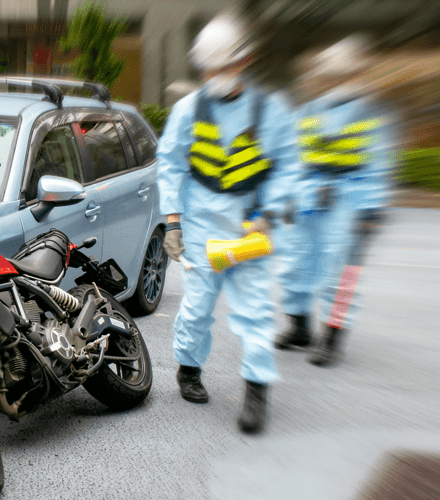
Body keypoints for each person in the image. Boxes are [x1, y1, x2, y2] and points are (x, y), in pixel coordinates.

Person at [157, 13, 298, 434]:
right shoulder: (188, 110)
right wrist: (173, 223)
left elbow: (288, 166)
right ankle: (188, 368)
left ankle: (256, 390)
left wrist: (269, 215)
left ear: (244, 60)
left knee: (255, 312)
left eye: (225, 65)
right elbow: (170, 164)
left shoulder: (270, 111)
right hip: (201, 225)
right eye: (210, 68)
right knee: (197, 308)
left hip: (248, 227)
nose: (217, 75)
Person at [275, 35, 393, 366]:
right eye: (331, 74)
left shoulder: (369, 114)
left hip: (349, 201)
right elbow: (295, 157)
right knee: (295, 265)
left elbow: (379, 162)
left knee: (341, 273)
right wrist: (287, 197)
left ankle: (332, 337)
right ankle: (299, 328)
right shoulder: (308, 112)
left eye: (342, 73)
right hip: (308, 197)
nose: (334, 80)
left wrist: (372, 208)